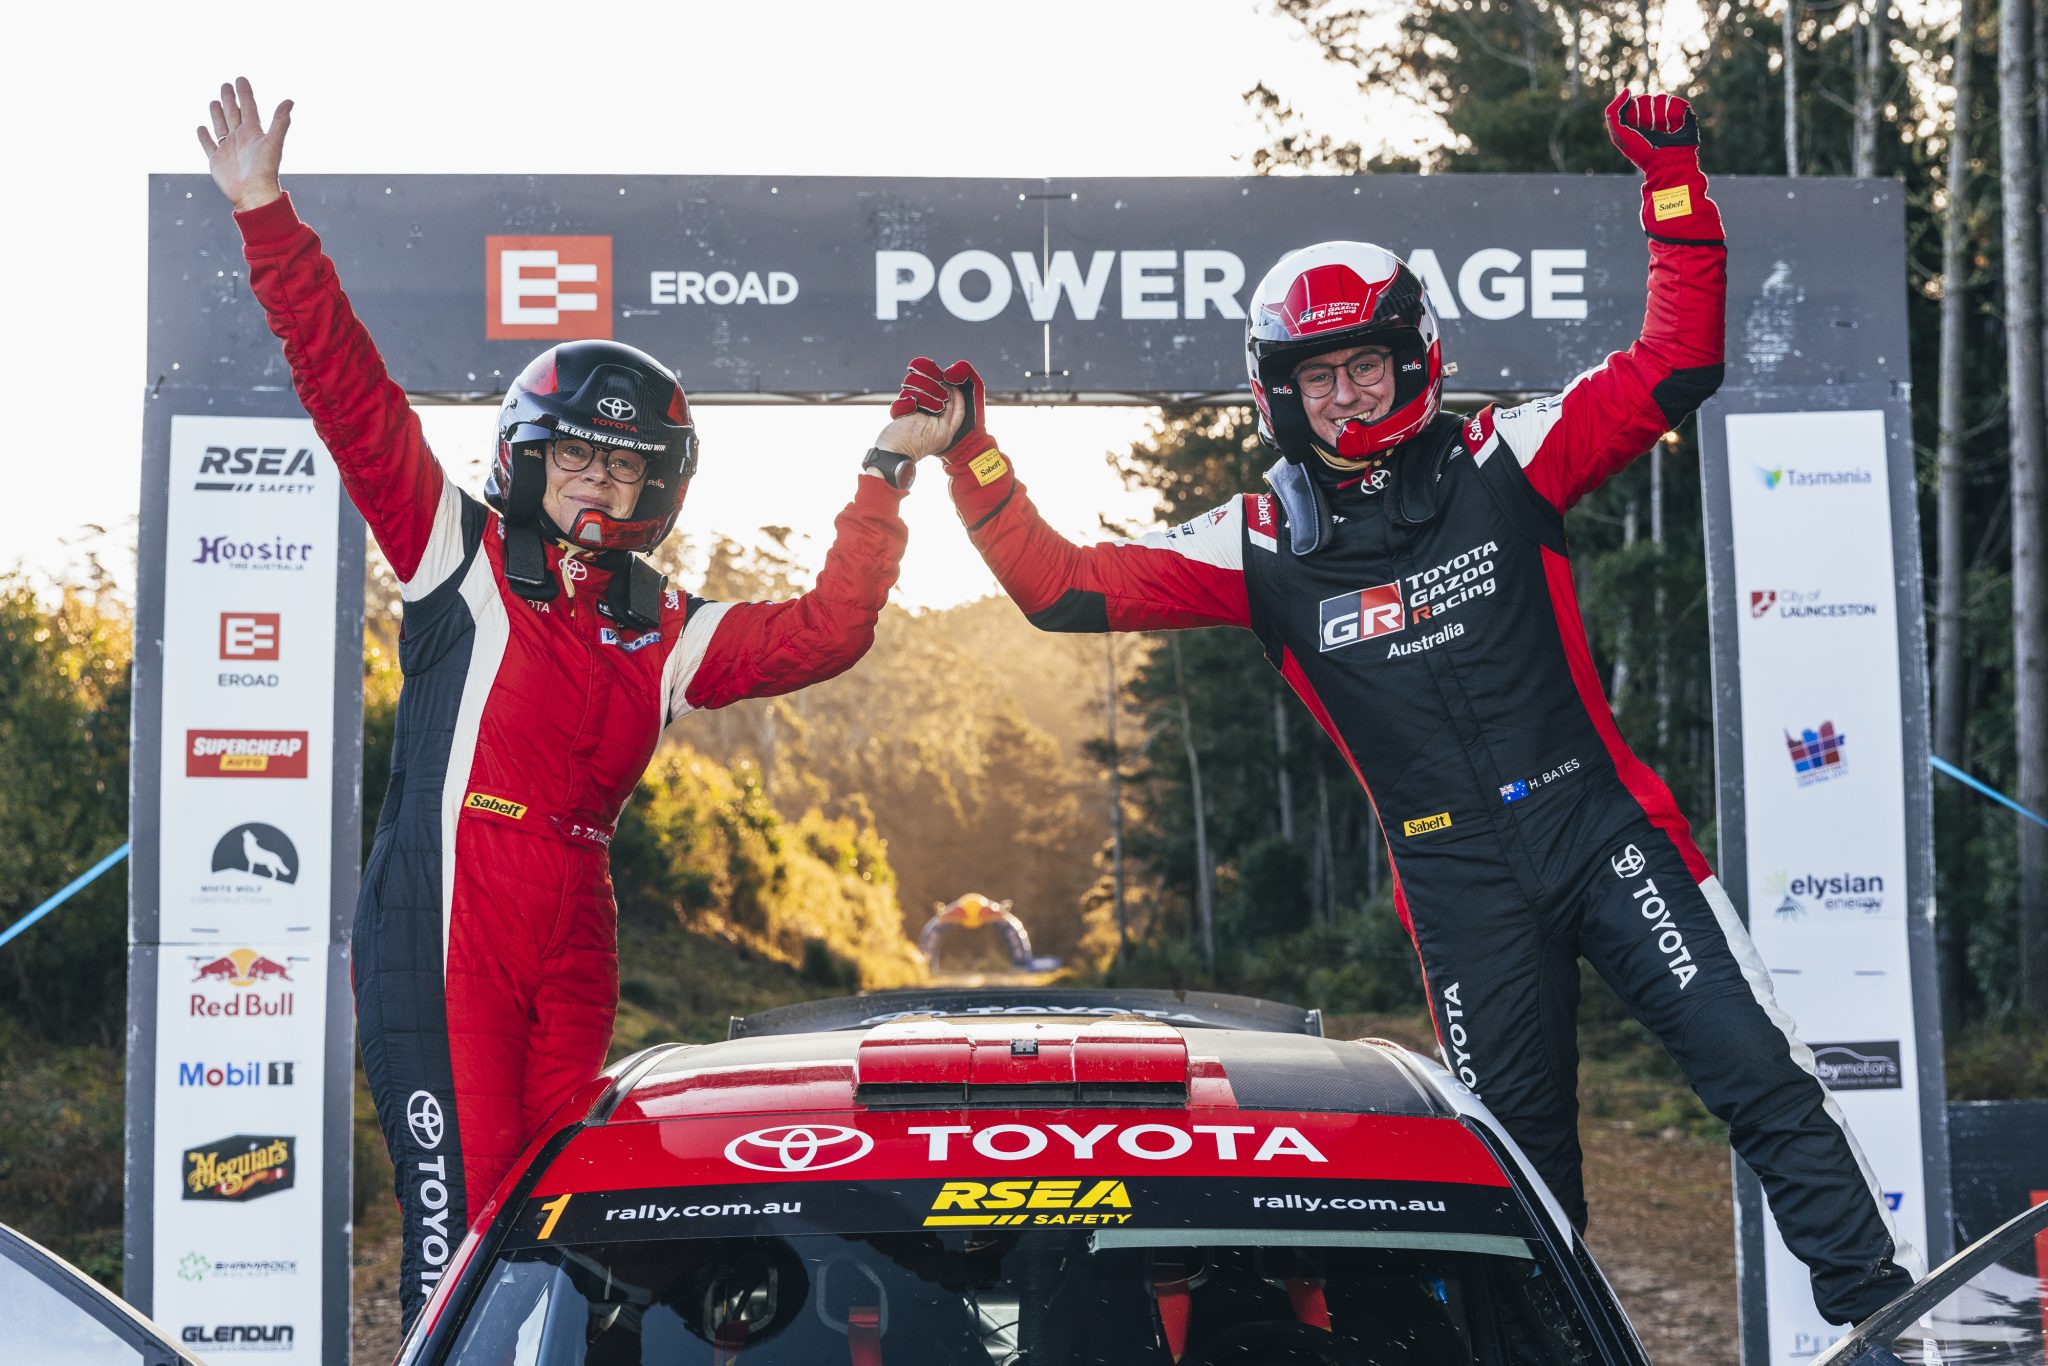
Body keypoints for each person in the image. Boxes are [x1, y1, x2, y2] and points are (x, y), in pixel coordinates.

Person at [887, 91, 1919, 1324]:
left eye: (1364, 365)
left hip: (1598, 831)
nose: (1343, 397)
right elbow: (1060, 589)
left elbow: (1675, 363)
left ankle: (1875, 1314)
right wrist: (973, 460)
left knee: (1755, 1072)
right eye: (1315, 376)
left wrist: (1671, 188)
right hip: (1457, 882)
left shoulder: (1506, 457)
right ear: (1276, 391)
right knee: (1518, 1179)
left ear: (1413, 358)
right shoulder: (1252, 540)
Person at [197, 78, 925, 1328]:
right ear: (528, 457)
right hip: (448, 920)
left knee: (578, 1228)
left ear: (658, 487)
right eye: (577, 453)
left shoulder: (665, 624)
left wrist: (885, 473)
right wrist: (266, 212)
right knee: (466, 1231)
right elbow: (349, 393)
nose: (599, 480)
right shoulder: (457, 554)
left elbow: (828, 629)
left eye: (626, 464)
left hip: (578, 925)